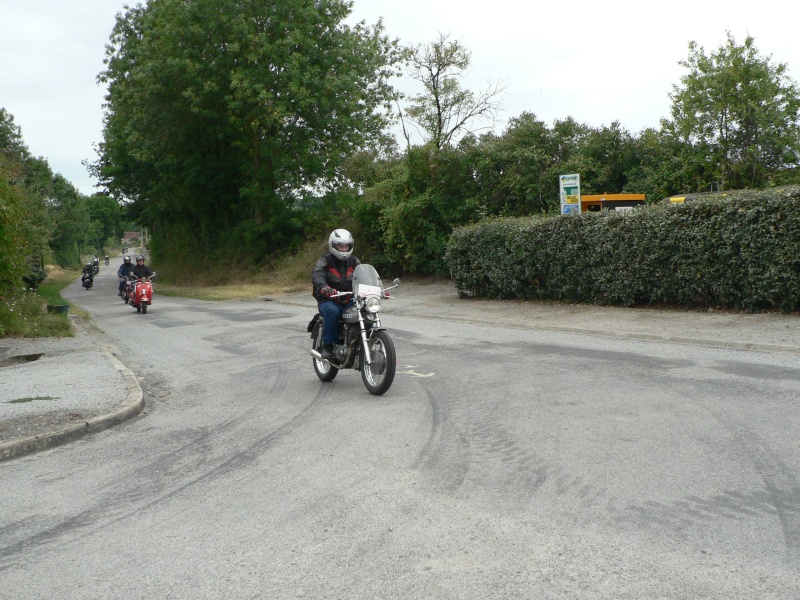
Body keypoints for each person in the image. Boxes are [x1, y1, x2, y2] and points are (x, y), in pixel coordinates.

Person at [312, 229, 360, 360]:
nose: (344, 249)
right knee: (332, 312)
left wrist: (376, 288)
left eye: (346, 246)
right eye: (340, 246)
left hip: (349, 300)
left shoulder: (354, 261)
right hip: (329, 300)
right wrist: (324, 287)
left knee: (366, 310)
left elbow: (364, 275)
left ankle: (366, 340)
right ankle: (327, 346)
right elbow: (317, 275)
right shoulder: (325, 260)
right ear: (333, 245)